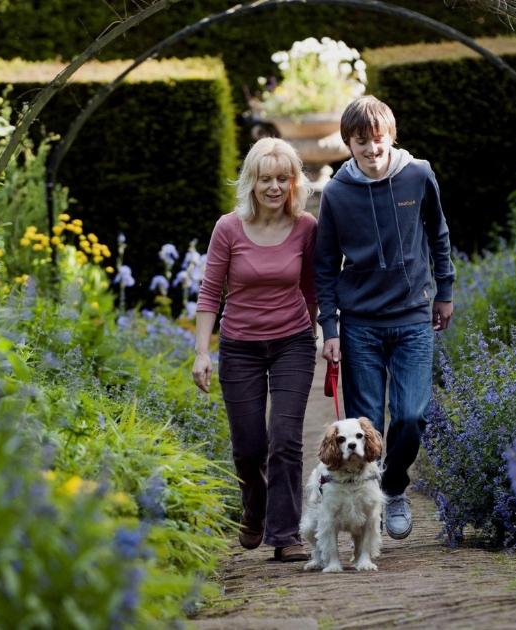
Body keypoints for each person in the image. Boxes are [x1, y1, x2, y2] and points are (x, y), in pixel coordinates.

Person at [313, 95, 455, 540]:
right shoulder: (336, 194)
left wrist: (444, 290)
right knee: (367, 419)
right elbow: (324, 266)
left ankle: (394, 487)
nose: (371, 151)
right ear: (348, 145)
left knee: (412, 415)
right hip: (361, 325)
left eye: (377, 141)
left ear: (390, 136)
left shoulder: (419, 174)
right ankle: (368, 508)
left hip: (413, 316)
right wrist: (330, 328)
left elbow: (439, 234)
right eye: (361, 144)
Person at [192, 137, 318, 563]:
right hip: (240, 346)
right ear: (252, 181)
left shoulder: (306, 228)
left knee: (285, 439)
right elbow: (211, 293)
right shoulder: (228, 227)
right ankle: (256, 509)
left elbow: (311, 290)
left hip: (292, 344)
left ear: (294, 183)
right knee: (248, 449)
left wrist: (320, 333)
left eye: (283, 178)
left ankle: (286, 535)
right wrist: (202, 352)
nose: (275, 187)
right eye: (266, 178)